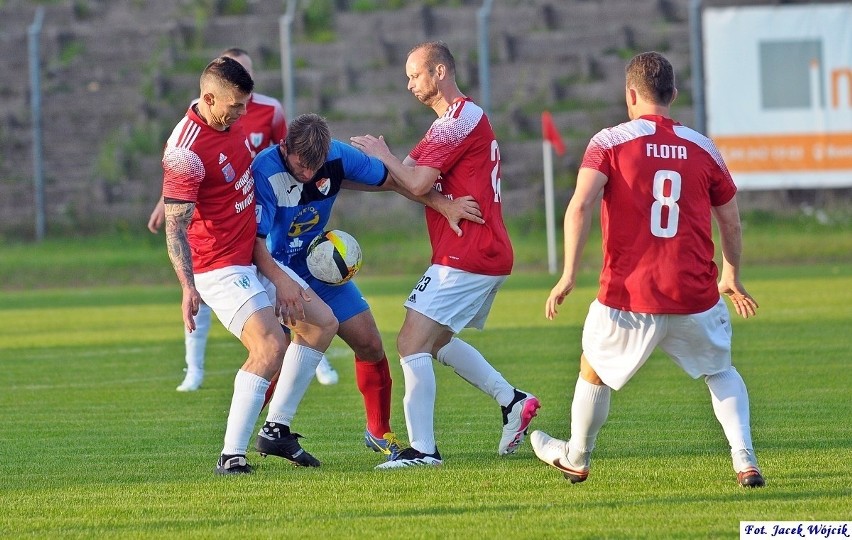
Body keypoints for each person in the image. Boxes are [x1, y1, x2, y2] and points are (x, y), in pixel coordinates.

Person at [531, 51, 765, 488]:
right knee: (720, 370)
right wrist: (730, 274)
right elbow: (731, 220)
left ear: (630, 94)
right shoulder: (703, 147)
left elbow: (580, 205)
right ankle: (744, 460)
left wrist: (567, 274)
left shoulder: (609, 142)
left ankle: (577, 457)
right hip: (694, 292)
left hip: (630, 294)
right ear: (673, 94)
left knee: (593, 368)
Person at [350, 41, 540, 469]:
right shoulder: (446, 125)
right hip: (473, 248)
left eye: (414, 75)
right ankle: (512, 401)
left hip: (469, 250)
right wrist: (334, 178)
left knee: (410, 341)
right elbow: (399, 179)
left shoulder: (458, 120)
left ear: (439, 72)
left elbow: (412, 181)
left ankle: (423, 451)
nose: (409, 84)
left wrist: (382, 156)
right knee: (436, 343)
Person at [253, 112, 485, 461]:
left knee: (369, 342)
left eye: (314, 168)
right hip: (274, 268)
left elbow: (392, 181)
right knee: (276, 351)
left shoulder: (337, 156)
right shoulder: (263, 171)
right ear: (285, 146)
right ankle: (247, 436)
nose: (306, 175)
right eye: (300, 167)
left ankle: (378, 432)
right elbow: (255, 241)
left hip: (315, 261)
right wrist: (280, 282)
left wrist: (444, 205)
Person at [161, 55, 338, 475]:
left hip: (254, 254)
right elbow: (175, 229)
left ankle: (276, 430)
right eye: (236, 105)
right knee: (270, 346)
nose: (244, 112)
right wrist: (188, 287)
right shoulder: (185, 151)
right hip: (219, 267)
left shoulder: (228, 119)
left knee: (322, 324)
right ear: (209, 97)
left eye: (246, 103)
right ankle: (231, 455)